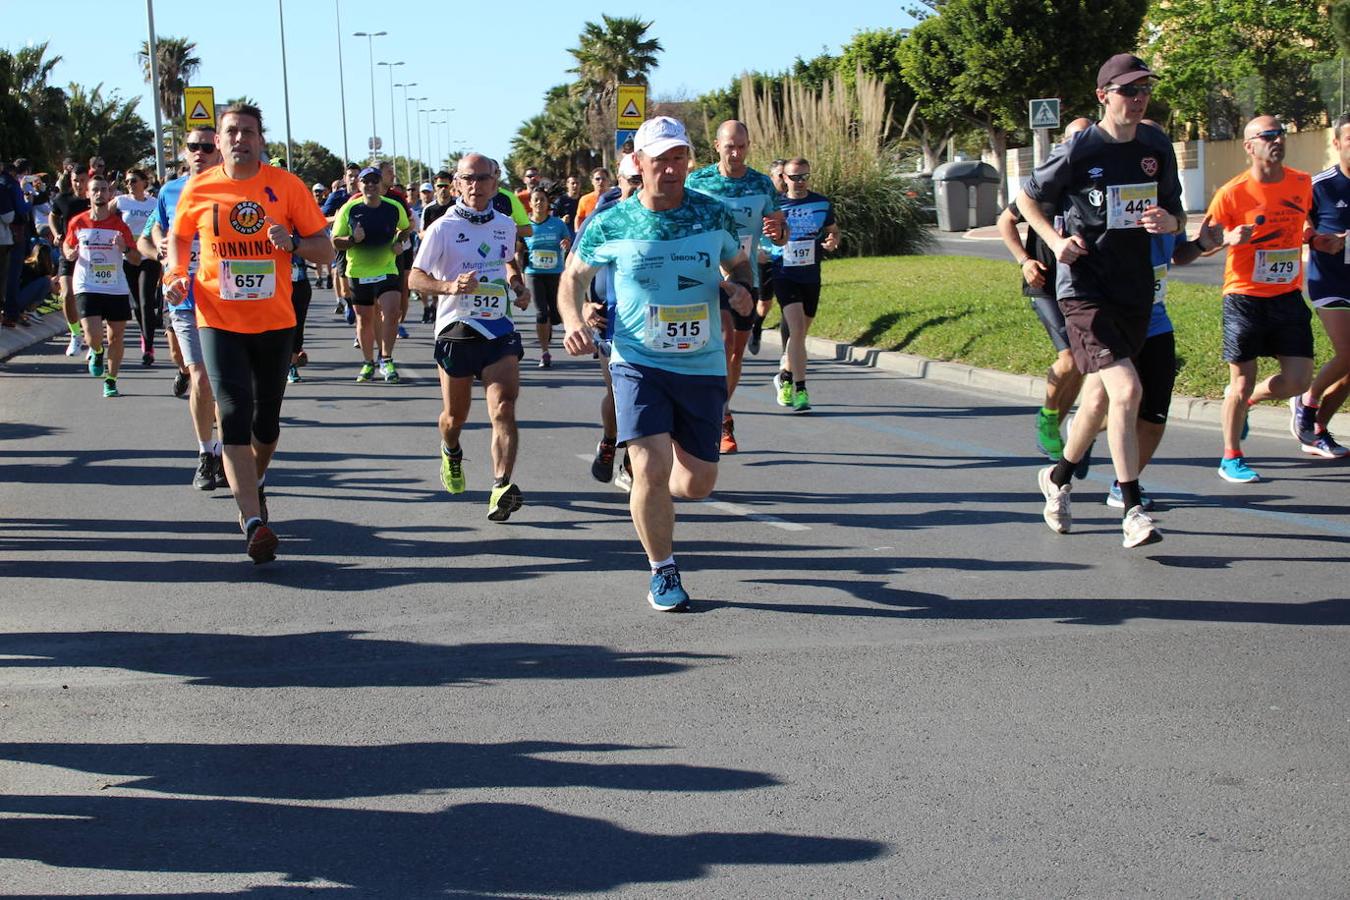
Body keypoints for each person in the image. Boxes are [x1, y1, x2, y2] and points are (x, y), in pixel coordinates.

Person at [558, 116, 755, 611]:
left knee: (697, 484)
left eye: (678, 158)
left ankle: (657, 496)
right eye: (660, 159)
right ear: (638, 163)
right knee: (648, 466)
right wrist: (572, 319)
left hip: (701, 365)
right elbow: (572, 279)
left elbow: (740, 263)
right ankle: (662, 571)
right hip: (636, 362)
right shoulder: (610, 221)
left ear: (689, 160)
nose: (670, 169)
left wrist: (743, 292)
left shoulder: (712, 215)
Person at [1018, 53, 1185, 549]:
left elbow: (1176, 211)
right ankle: (1132, 507)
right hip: (1084, 288)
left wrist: (1168, 224)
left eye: (1144, 92)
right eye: (1127, 91)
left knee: (1096, 397)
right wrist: (1052, 238)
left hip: (1134, 288)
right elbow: (1026, 198)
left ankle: (1059, 476)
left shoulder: (1156, 145)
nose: (1137, 100)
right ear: (1103, 96)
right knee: (1127, 392)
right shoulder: (1079, 148)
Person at [163, 103, 332, 564]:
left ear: (262, 140)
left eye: (249, 132)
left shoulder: (286, 186)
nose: (240, 139)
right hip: (217, 317)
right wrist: (176, 271)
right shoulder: (199, 188)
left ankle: (255, 483)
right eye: (231, 132)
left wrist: (294, 243)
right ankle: (253, 520)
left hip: (275, 322)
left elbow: (326, 250)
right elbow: (178, 237)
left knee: (266, 422)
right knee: (233, 413)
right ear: (218, 141)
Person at [407, 152, 532, 522]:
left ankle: (501, 486)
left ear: (496, 183)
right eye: (468, 179)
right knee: (454, 417)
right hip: (456, 330)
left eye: (483, 178)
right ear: (457, 184)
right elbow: (414, 278)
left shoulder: (506, 224)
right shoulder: (442, 228)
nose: (476, 186)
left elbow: (508, 259)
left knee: (504, 406)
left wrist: (517, 285)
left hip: (497, 327)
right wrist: (448, 286)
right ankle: (451, 450)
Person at [1206, 115, 1319, 483]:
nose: (1277, 140)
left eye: (1281, 133)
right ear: (1249, 146)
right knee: (1239, 381)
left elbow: (1307, 221)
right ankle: (1231, 456)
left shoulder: (1302, 182)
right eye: (1267, 135)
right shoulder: (1232, 192)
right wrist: (1227, 239)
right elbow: (1202, 244)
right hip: (1244, 296)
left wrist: (1311, 235)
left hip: (1287, 295)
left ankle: (1250, 400)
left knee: (1299, 381)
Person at [685, 119, 787, 453]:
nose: (736, 153)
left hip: (745, 277)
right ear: (717, 146)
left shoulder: (761, 184)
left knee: (734, 353)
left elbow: (780, 230)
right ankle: (717, 415)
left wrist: (777, 235)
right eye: (730, 146)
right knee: (722, 339)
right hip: (704, 277)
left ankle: (720, 411)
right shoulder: (698, 181)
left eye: (742, 146)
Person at [996, 117, 1093, 458]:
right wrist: (1024, 260)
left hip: (1085, 284)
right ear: (1063, 144)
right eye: (1075, 137)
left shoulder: (1097, 181)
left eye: (1088, 135)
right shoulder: (1046, 181)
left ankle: (1059, 422)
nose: (1082, 143)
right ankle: (1048, 417)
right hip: (1046, 282)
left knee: (1083, 361)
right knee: (1068, 356)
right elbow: (1005, 220)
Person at [139, 126, 228, 492]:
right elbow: (149, 237)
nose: (200, 152)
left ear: (219, 150)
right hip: (185, 298)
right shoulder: (169, 191)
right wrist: (161, 248)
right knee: (201, 378)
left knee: (227, 384)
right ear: (184, 150)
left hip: (226, 300)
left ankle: (226, 450)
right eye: (194, 146)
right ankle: (206, 454)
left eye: (208, 146)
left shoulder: (232, 188)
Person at [1291, 112, 1350, 459]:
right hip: (1330, 282)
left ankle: (1315, 429)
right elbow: (1293, 227)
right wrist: (1316, 241)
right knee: (1348, 353)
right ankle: (1307, 400)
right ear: (1337, 143)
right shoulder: (1319, 185)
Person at [770, 156, 840, 413]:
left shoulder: (821, 202)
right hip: (784, 273)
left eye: (804, 177)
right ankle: (800, 390)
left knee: (800, 334)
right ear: (784, 178)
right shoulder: (775, 204)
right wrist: (762, 250)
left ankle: (784, 376)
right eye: (793, 177)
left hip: (811, 274)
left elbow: (833, 229)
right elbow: (759, 233)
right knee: (797, 329)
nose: (799, 182)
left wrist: (833, 241)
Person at [62, 174, 142, 398]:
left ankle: (111, 380)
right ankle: (96, 351)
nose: (100, 193)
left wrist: (125, 248)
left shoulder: (119, 225)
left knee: (116, 337)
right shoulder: (78, 222)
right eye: (95, 189)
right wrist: (70, 253)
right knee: (92, 334)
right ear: (88, 194)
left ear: (110, 194)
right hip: (87, 285)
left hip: (115, 286)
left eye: (104, 189)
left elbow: (136, 258)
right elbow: (67, 248)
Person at [332, 165, 411, 383]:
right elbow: (335, 241)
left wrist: (399, 242)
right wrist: (352, 240)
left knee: (392, 311)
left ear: (381, 185)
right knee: (364, 319)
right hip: (359, 271)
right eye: (366, 182)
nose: (370, 185)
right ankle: (368, 362)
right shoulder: (350, 209)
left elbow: (407, 228)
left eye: (375, 181)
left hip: (386, 268)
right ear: (359, 185)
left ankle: (386, 359)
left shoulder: (394, 207)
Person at [111, 169, 162, 366]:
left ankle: (148, 348)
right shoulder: (121, 201)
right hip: (129, 256)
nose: (130, 184)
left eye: (133, 180)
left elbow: (163, 224)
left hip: (149, 255)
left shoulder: (154, 203)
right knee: (136, 305)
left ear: (144, 182)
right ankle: (144, 333)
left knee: (146, 300)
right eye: (127, 181)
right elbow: (100, 214)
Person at [522, 187, 572, 369]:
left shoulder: (558, 224)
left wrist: (565, 243)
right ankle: (545, 352)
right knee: (541, 313)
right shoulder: (526, 226)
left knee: (556, 313)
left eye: (542, 199)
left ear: (547, 203)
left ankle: (550, 323)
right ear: (530, 203)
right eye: (535, 199)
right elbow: (519, 251)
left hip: (554, 273)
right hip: (533, 273)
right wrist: (519, 278)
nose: (539, 203)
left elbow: (567, 241)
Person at [50, 168, 89, 353]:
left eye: (82, 180)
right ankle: (75, 335)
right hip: (67, 251)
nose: (79, 185)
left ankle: (93, 339)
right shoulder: (62, 199)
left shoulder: (95, 200)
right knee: (66, 294)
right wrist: (56, 232)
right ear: (70, 180)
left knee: (89, 298)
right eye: (76, 180)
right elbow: (53, 215)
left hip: (92, 255)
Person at [324, 163, 360, 315]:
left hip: (361, 244)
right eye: (350, 176)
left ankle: (360, 313)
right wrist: (336, 217)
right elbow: (320, 218)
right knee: (345, 287)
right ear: (345, 178)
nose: (353, 179)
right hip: (341, 242)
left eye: (356, 176)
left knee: (362, 285)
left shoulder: (366, 195)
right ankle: (348, 303)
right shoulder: (337, 196)